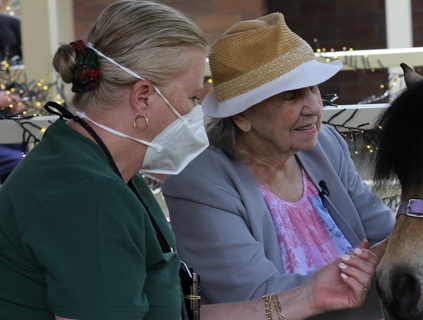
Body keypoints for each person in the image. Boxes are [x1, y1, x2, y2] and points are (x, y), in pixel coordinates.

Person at [0, 1, 379, 320]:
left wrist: (307, 296)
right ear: (143, 98)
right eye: (194, 99)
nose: (200, 115)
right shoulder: (88, 196)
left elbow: (175, 312)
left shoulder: (98, 168)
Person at [161, 13, 395, 320]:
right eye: (291, 96)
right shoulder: (199, 180)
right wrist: (362, 269)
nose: (313, 108)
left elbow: (385, 234)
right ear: (242, 116)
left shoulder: (324, 146)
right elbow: (254, 298)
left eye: (313, 89)